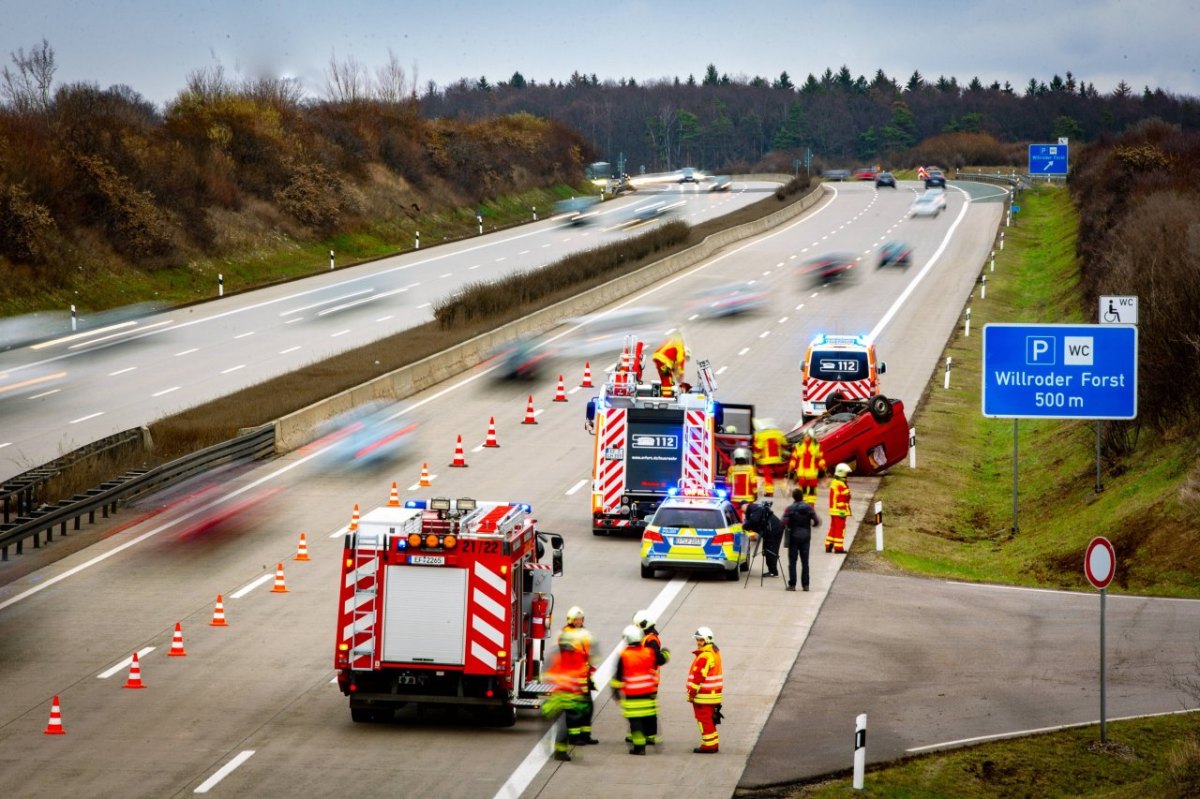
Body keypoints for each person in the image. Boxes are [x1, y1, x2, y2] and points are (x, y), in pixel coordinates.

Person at [555, 606, 598, 756]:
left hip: (583, 677)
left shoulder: (582, 633)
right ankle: (574, 737)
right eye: (577, 619)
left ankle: (585, 735)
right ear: (570, 620)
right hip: (573, 680)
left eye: (581, 619)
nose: (579, 621)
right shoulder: (566, 634)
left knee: (588, 707)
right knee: (574, 711)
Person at [611, 625, 659, 755]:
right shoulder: (648, 652)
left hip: (633, 695)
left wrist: (615, 692)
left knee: (635, 721)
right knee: (648, 718)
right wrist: (666, 653)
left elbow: (618, 677)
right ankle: (652, 738)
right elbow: (658, 661)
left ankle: (639, 748)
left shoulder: (624, 655)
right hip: (648, 693)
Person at [633, 610, 671, 745]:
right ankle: (645, 734)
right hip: (645, 680)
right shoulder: (647, 638)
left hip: (648, 681)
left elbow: (657, 658)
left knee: (646, 709)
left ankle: (648, 735)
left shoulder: (651, 640)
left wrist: (664, 655)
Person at [686, 626, 723, 754]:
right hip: (713, 694)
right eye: (697, 640)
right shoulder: (714, 652)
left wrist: (691, 693)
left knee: (704, 720)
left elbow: (698, 678)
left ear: (707, 640)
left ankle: (709, 745)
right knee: (708, 719)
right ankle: (713, 743)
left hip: (703, 695)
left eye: (701, 640)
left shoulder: (704, 656)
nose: (698, 642)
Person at [781, 487, 821, 591]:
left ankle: (792, 585)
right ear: (802, 497)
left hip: (793, 538)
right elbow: (817, 521)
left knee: (793, 562)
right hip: (805, 537)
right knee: (805, 562)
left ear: (793, 497)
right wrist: (811, 525)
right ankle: (806, 585)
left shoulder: (789, 509)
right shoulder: (808, 508)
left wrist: (788, 524)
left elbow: (782, 523)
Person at [743, 501, 784, 578]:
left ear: (745, 505)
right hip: (770, 530)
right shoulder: (754, 509)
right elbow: (757, 522)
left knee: (771, 550)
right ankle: (771, 570)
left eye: (742, 507)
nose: (742, 511)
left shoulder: (754, 509)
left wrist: (745, 526)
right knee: (767, 550)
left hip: (773, 530)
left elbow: (754, 521)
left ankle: (773, 572)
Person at [788, 428, 827, 505]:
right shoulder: (798, 446)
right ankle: (803, 502)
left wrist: (823, 468)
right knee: (803, 489)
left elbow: (820, 459)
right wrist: (791, 468)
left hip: (812, 472)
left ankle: (811, 503)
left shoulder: (817, 446)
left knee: (812, 488)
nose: (807, 437)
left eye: (808, 436)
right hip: (802, 472)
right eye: (806, 436)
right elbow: (794, 458)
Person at [751, 419, 790, 496]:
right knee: (780, 475)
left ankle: (769, 492)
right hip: (777, 459)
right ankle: (786, 490)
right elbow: (785, 444)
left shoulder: (761, 435)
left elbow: (758, 448)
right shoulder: (779, 433)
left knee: (768, 476)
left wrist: (755, 458)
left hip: (765, 460)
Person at [826, 463, 852, 553]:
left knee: (833, 527)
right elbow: (844, 498)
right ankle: (838, 548)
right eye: (846, 474)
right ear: (842, 474)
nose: (847, 476)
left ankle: (828, 545)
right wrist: (843, 511)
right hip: (840, 511)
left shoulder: (834, 482)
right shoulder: (841, 484)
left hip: (833, 510)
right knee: (840, 529)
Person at [651, 334, 687, 398]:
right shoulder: (681, 348)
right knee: (667, 378)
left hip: (658, 358)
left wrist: (677, 375)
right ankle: (667, 397)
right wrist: (681, 373)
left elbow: (673, 367)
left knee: (665, 376)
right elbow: (680, 360)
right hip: (664, 360)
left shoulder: (673, 343)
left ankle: (666, 395)